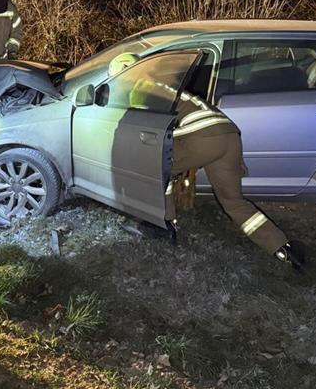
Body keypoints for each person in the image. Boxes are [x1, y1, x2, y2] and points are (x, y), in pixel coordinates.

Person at [108, 52, 306, 272]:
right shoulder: (166, 86)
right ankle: (284, 249)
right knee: (234, 202)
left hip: (201, 136)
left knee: (155, 169)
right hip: (229, 135)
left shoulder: (140, 89)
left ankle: (164, 226)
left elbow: (143, 128)